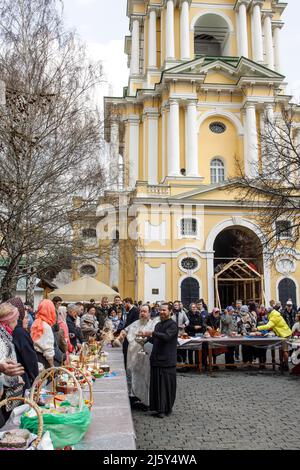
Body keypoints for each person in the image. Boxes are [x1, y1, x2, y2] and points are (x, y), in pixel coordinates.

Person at [140, 303, 178, 418]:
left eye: (164, 310)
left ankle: (165, 408)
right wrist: (144, 339)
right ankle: (156, 407)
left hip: (167, 360)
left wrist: (151, 333)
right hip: (156, 359)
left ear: (170, 311)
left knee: (165, 385)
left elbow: (166, 337)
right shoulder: (158, 325)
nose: (162, 312)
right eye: (160, 310)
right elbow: (155, 340)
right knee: (156, 384)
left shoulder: (173, 325)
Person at [120, 305, 159, 409]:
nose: (142, 313)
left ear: (149, 313)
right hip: (132, 355)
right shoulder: (135, 323)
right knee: (132, 375)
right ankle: (133, 397)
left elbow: (154, 336)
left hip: (145, 356)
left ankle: (145, 400)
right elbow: (125, 330)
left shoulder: (152, 324)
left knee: (144, 376)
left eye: (145, 311)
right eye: (141, 311)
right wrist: (122, 334)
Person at [0, 303, 25, 424]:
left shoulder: (6, 336)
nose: (17, 324)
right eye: (15, 321)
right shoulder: (2, 340)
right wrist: (16, 379)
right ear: (6, 323)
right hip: (4, 392)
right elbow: (4, 368)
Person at [10, 297, 39, 390]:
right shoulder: (20, 332)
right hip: (21, 378)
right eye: (25, 317)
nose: (29, 320)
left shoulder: (9, 329)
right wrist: (36, 378)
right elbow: (30, 358)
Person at [255, 307, 292, 371]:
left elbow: (268, 326)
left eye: (267, 313)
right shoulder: (275, 314)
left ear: (269, 312)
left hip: (285, 334)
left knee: (285, 350)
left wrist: (257, 328)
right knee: (281, 350)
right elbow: (273, 326)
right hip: (283, 334)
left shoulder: (274, 316)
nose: (266, 315)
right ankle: (282, 364)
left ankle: (286, 365)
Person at [31, 299, 57, 369]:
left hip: (36, 357)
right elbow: (48, 350)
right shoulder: (45, 326)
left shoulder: (35, 322)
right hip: (43, 359)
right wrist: (52, 365)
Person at [186, 303, 205, 367]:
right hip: (191, 333)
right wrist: (193, 327)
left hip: (198, 334)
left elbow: (202, 324)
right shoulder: (188, 315)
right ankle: (191, 364)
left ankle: (198, 363)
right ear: (190, 308)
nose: (194, 308)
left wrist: (201, 328)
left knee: (198, 349)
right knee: (190, 350)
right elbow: (187, 325)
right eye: (193, 307)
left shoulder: (199, 315)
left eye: (195, 307)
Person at [123, 298, 140, 368]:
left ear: (128, 303)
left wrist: (124, 330)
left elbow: (133, 324)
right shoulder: (130, 311)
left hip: (131, 336)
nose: (124, 306)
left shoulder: (135, 311)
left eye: (124, 304)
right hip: (127, 334)